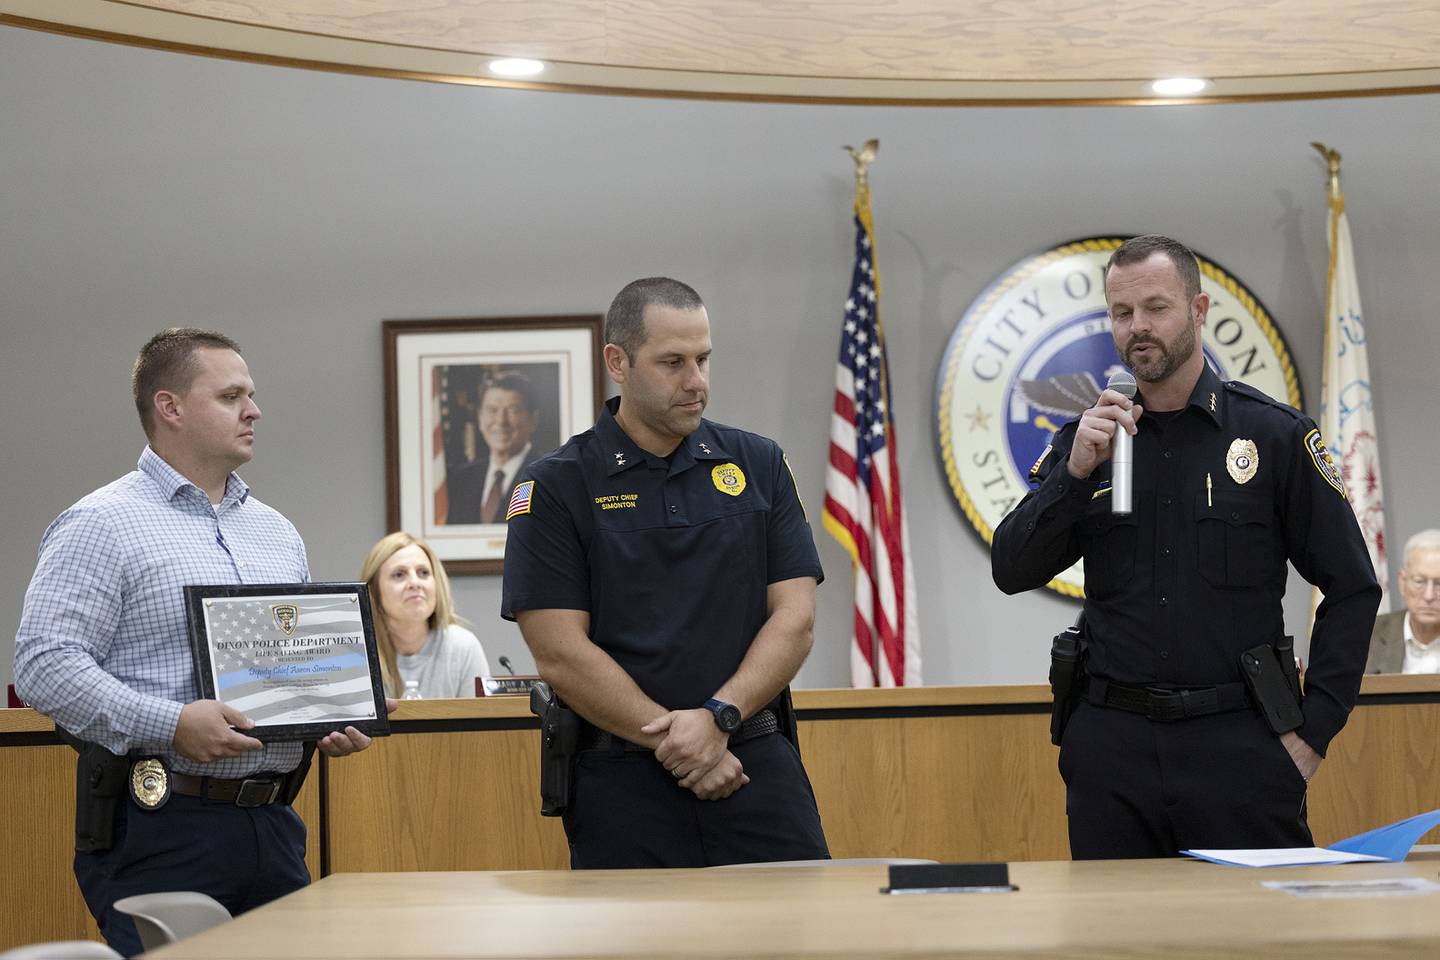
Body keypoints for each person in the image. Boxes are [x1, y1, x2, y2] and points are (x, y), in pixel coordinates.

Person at [991, 235, 1381, 860]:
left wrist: (1314, 731)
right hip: (1111, 752)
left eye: (1156, 307)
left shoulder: (1273, 437)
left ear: (1198, 312)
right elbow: (1011, 569)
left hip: (1241, 745)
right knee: (1117, 942)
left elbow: (1354, 586)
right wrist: (1073, 477)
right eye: (1122, 314)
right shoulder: (1088, 441)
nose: (1138, 328)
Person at [13, 328, 395, 956]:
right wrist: (172, 721)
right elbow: (43, 666)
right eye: (231, 395)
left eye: (251, 394)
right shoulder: (100, 524)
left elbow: (289, 670)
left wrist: (327, 714)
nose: (254, 410)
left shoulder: (276, 532)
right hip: (162, 825)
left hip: (273, 825)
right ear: (170, 408)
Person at [501, 277, 830, 868]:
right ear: (617, 362)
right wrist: (682, 744)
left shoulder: (759, 464)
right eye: (673, 363)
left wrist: (718, 718)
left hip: (754, 763)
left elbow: (796, 618)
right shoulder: (555, 485)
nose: (696, 381)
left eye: (704, 359)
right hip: (622, 779)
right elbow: (557, 650)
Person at [361, 531, 491, 697]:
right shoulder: (358, 653)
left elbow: (482, 721)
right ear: (372, 592)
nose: (415, 583)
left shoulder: (463, 647)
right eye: (399, 574)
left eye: (423, 573)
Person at [447, 371, 542, 524]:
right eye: (492, 410)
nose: (501, 421)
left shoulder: (547, 476)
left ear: (533, 420)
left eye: (513, 410)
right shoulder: (461, 479)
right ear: (479, 417)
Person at [1366, 529, 1440, 674]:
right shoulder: (1367, 635)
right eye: (1419, 581)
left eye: (1439, 584)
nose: (1429, 596)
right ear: (1403, 582)